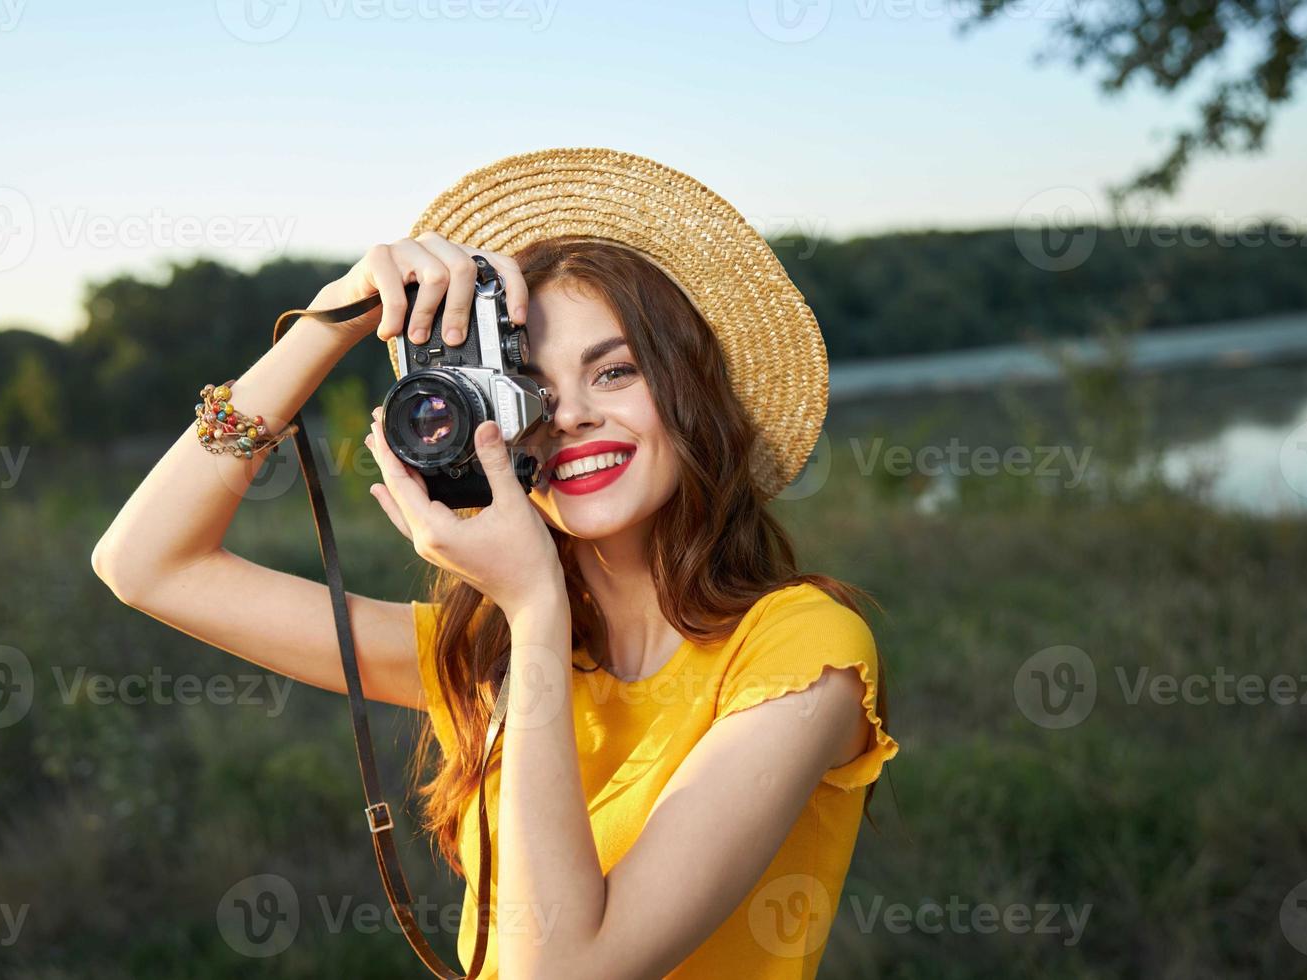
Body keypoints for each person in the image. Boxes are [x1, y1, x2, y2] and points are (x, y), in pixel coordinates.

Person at [92, 147, 898, 979]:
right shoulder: (478, 656)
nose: (570, 416)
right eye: (529, 387)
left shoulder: (803, 653)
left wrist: (537, 610)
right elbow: (145, 563)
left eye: (615, 371)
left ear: (692, 392)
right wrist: (329, 322)